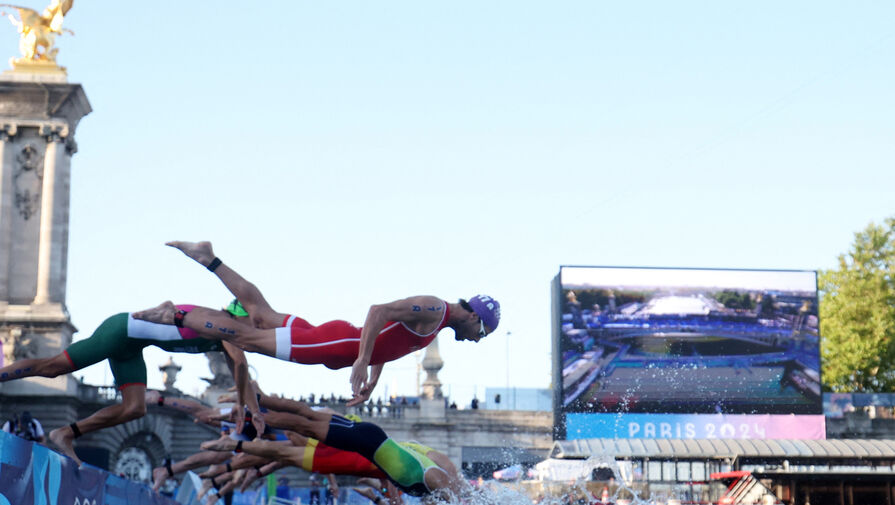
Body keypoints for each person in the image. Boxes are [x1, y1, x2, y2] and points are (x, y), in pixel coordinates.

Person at [137, 241, 501, 406]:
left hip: (337, 339)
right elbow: (378, 312)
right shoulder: (436, 309)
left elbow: (392, 337)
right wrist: (361, 360)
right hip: (334, 344)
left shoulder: (437, 322)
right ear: (474, 316)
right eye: (482, 332)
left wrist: (372, 378)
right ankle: (175, 314)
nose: (478, 339)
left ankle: (209, 258)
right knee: (247, 337)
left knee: (260, 313)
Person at [0, 306, 261, 465]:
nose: (252, 335)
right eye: (251, 326)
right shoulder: (220, 325)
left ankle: (66, 433)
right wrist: (240, 404)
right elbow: (241, 366)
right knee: (53, 367)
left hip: (133, 347)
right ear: (237, 319)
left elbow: (243, 375)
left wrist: (256, 412)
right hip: (120, 330)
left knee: (135, 408)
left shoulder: (227, 339)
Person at [222, 398, 464, 499]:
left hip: (369, 440)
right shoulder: (432, 477)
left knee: (304, 423)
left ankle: (256, 406)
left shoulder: (423, 483)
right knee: (303, 423)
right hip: (366, 440)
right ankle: (257, 403)